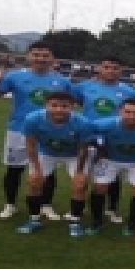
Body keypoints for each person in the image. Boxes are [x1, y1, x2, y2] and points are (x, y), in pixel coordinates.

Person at [0, 41, 72, 219]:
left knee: (48, 171)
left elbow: (71, 104)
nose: (40, 59)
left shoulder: (62, 81)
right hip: (18, 130)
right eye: (36, 55)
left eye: (45, 55)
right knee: (14, 170)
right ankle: (10, 205)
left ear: (52, 58)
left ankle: (46, 205)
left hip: (49, 131)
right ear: (29, 56)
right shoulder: (14, 77)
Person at [71, 56, 135, 224]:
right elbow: (75, 103)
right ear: (99, 68)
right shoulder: (84, 87)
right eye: (106, 67)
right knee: (84, 173)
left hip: (115, 138)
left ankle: (112, 208)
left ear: (121, 71)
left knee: (113, 176)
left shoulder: (129, 91)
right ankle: (81, 207)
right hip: (89, 137)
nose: (110, 71)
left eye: (115, 68)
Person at [16, 92, 92, 238]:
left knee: (80, 184)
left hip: (73, 154)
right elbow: (31, 146)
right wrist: (37, 169)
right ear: (46, 105)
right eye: (54, 105)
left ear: (72, 107)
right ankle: (34, 220)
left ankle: (75, 222)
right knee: (34, 182)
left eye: (64, 106)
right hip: (46, 153)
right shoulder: (32, 119)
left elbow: (84, 149)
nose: (59, 109)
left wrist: (79, 172)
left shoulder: (82, 122)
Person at [85, 99, 135, 235]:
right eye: (128, 112)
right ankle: (97, 221)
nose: (132, 116)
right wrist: (100, 149)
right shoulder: (104, 124)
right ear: (120, 111)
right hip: (109, 160)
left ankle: (132, 224)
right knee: (99, 188)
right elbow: (86, 135)